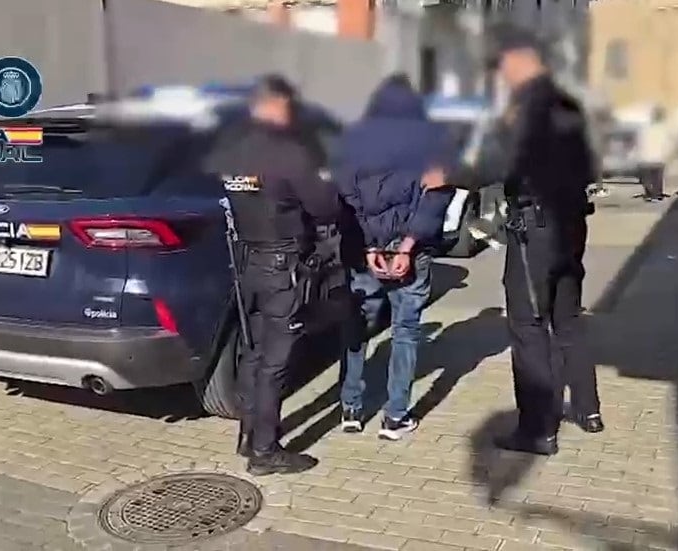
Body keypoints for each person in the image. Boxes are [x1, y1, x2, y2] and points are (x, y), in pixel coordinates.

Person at [427, 25, 603, 455]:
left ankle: (538, 430)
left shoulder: (527, 106)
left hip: (535, 229)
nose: (501, 74)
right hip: (571, 224)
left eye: (502, 65)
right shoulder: (568, 105)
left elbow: (500, 163)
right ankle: (588, 409)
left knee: (527, 326)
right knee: (568, 319)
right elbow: (589, 165)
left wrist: (448, 176)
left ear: (519, 59)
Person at [203, 75, 340, 475]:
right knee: (275, 360)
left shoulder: (231, 151)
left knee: (255, 351)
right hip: (282, 264)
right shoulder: (288, 153)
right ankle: (264, 451)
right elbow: (325, 207)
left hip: (249, 262)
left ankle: (249, 435)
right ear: (275, 105)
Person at [333, 75, 458, 440]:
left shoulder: (354, 141)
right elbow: (437, 197)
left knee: (357, 325)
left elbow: (347, 198)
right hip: (411, 251)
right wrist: (407, 246)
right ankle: (395, 416)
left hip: (366, 251)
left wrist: (370, 246)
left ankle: (350, 408)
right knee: (405, 330)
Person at [636, 106, 673, 202]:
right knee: (657, 178)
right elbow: (668, 143)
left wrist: (639, 154)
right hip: (659, 157)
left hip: (646, 157)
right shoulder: (664, 129)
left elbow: (639, 142)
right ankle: (656, 194)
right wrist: (667, 154)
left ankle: (649, 193)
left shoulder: (645, 128)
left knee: (647, 178)